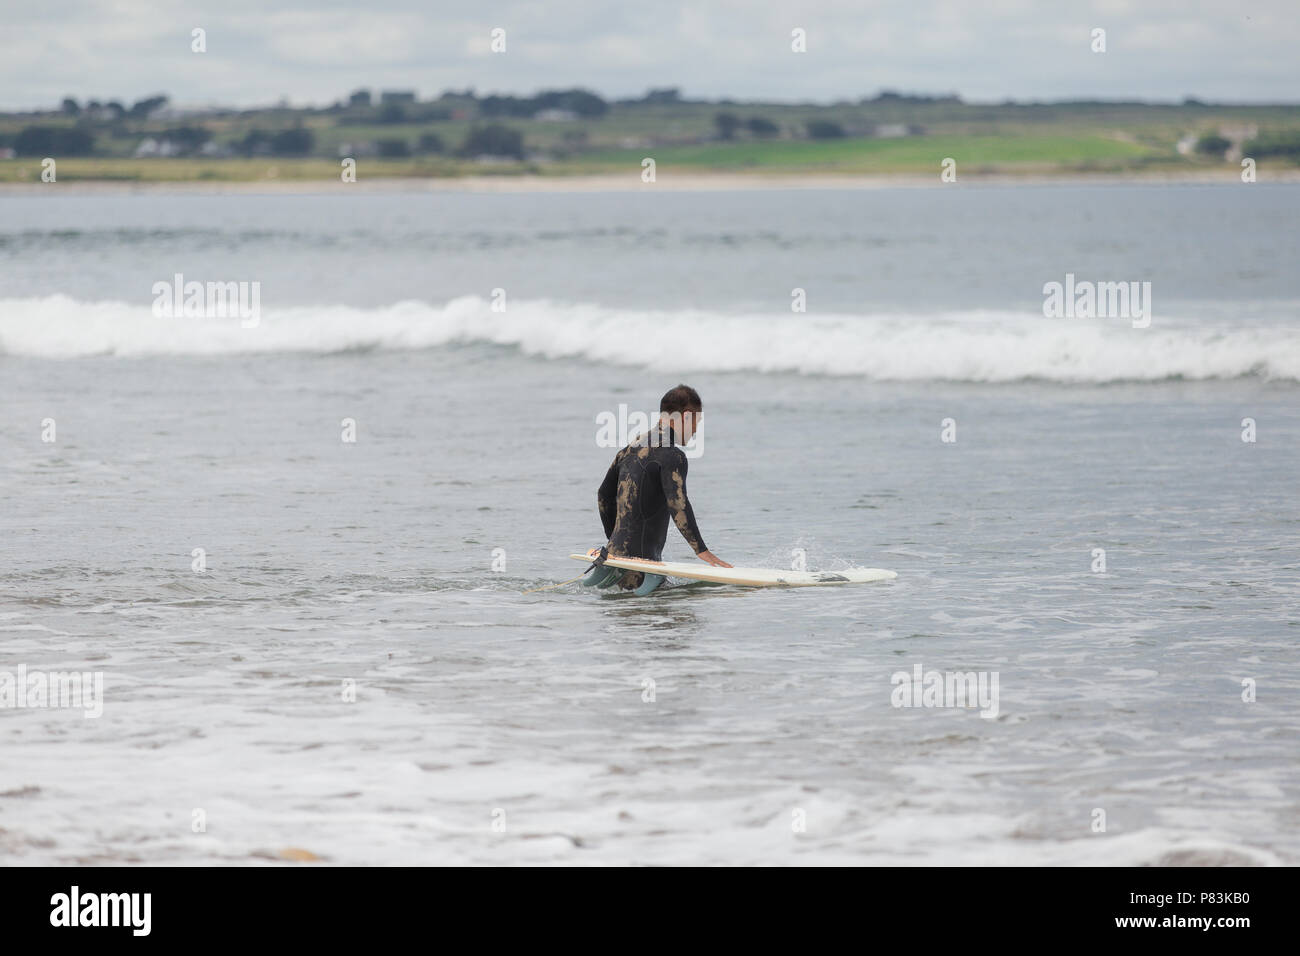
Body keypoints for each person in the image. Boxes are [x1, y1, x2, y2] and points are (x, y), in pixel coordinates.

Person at [584, 384, 731, 595]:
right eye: (697, 423)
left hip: (614, 561)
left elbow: (603, 495)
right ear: (687, 417)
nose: (697, 430)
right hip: (643, 571)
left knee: (626, 618)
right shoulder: (672, 456)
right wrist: (703, 552)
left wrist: (615, 541)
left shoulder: (628, 450)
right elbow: (677, 504)